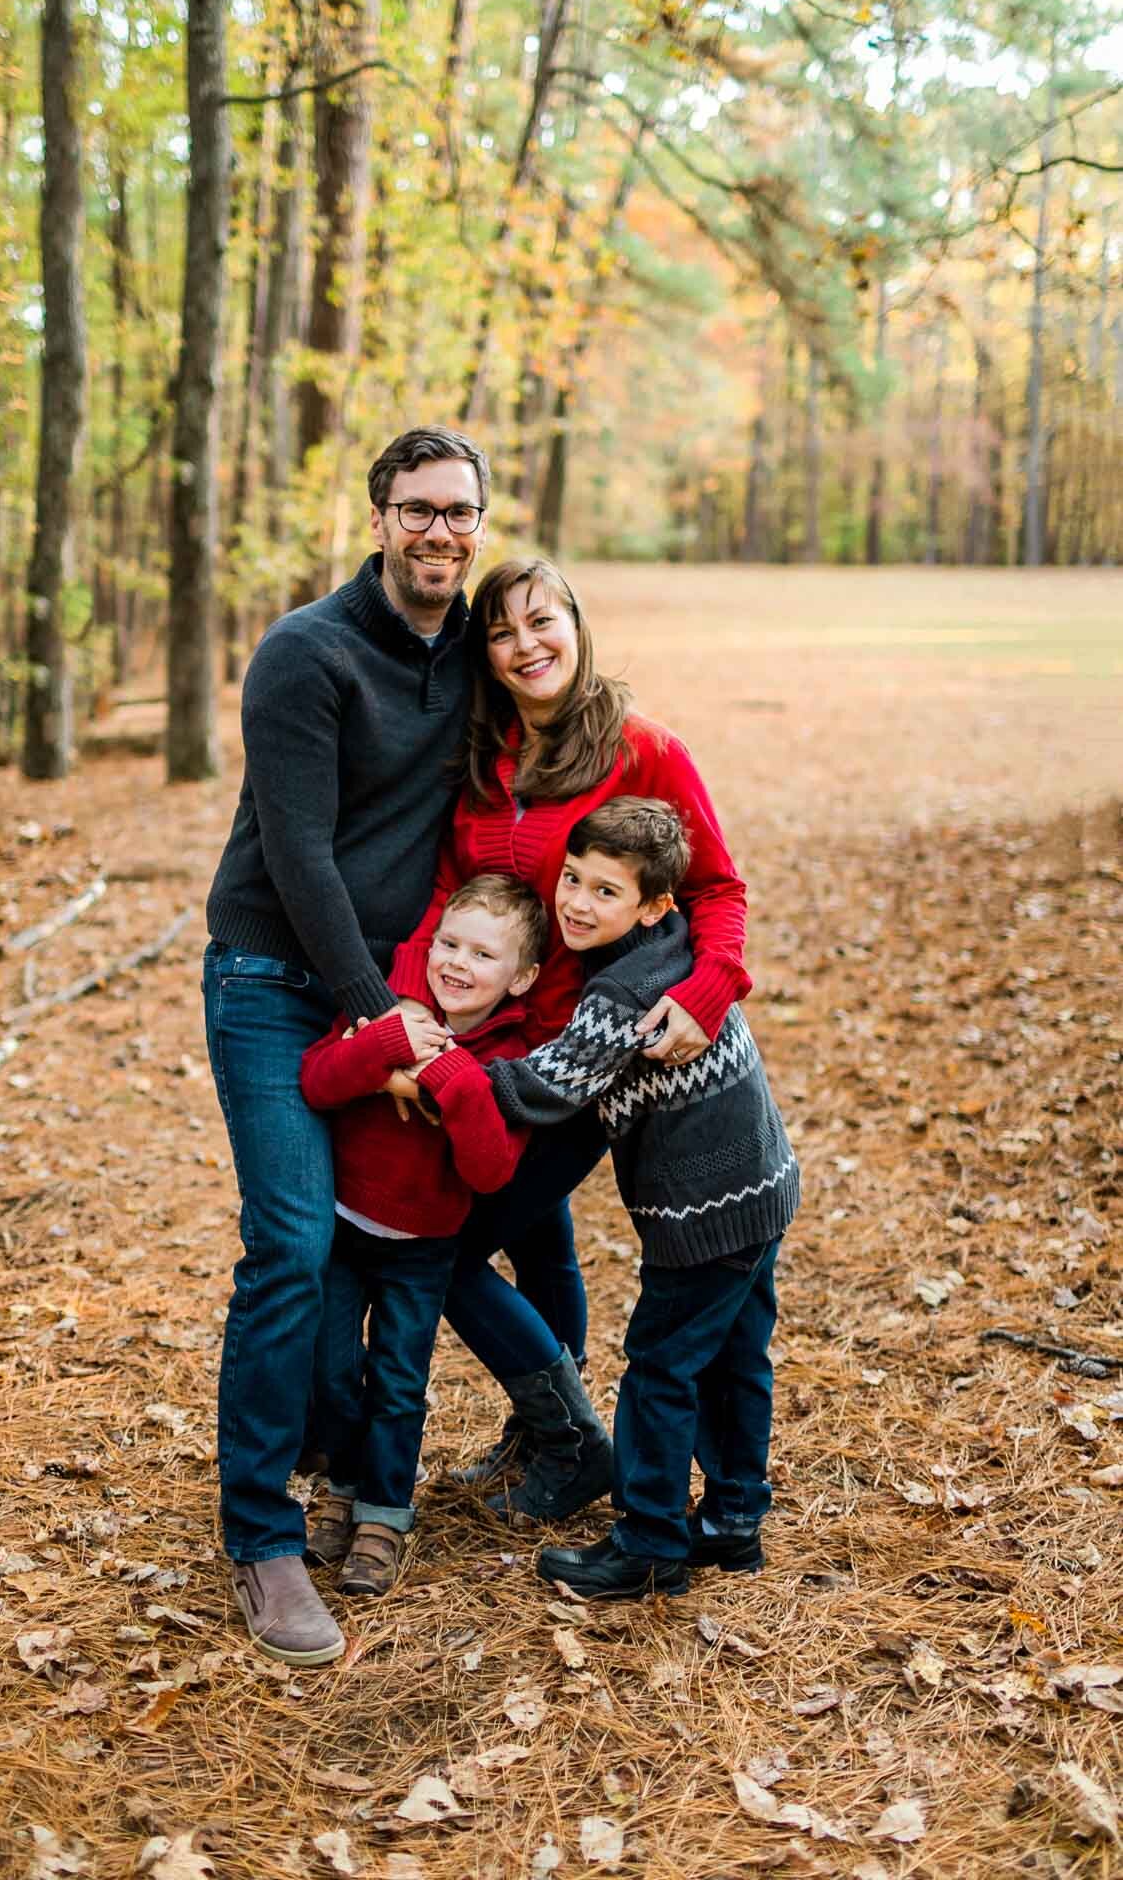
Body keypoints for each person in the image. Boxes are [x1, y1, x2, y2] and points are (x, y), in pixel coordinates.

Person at [202, 425, 490, 1666]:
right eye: (418, 509)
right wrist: (383, 1018)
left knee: (409, 1232)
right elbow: (302, 854)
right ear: (378, 517)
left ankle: (539, 1428)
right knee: (292, 1242)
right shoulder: (303, 654)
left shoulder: (478, 645)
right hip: (274, 979)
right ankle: (261, 1537)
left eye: (460, 511)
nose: (440, 531)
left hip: (401, 989)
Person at [386, 558, 753, 1524]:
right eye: (502, 633)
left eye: (541, 622)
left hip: (581, 1059)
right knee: (539, 1238)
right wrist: (407, 1012)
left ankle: (569, 1437)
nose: (526, 646)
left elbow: (716, 888)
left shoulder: (643, 751)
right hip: (489, 1040)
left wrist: (709, 989)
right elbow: (444, 894)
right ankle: (539, 1424)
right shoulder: (479, 759)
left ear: (576, 623)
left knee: (446, 1250)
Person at [434, 798, 801, 1597]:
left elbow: (545, 1085)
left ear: (654, 904)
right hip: (762, 1186)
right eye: (572, 879)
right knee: (737, 1357)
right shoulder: (676, 947)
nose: (574, 902)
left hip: (700, 1215)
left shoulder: (619, 994)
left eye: (605, 892)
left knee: (661, 1371)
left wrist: (439, 1070)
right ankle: (735, 1522)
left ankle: (647, 1542)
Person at [299, 876, 545, 1599]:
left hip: (423, 1246)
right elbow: (317, 1082)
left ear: (522, 977)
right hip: (343, 1229)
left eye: (482, 954)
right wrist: (383, 1050)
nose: (457, 963)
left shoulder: (511, 1058)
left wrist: (454, 1079)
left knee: (400, 1382)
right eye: (448, 943)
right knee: (335, 1368)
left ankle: (383, 1515)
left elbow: (491, 1170)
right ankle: (339, 1489)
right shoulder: (384, 1013)